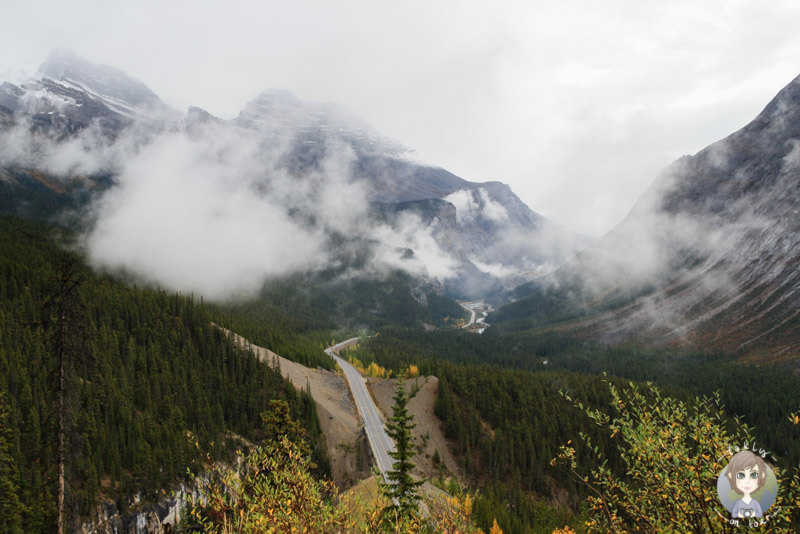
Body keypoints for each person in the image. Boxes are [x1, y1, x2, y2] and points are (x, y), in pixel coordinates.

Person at [725, 450, 768, 519]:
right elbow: (734, 514)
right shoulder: (738, 503)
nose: (747, 481)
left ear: (762, 476)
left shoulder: (755, 503)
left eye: (754, 475)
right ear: (731, 476)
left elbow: (759, 514)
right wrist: (741, 514)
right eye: (741, 475)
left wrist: (752, 513)